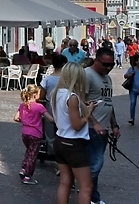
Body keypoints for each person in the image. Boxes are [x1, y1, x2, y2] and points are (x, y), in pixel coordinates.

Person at [54, 62, 98, 204]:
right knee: (86, 187)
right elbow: (77, 125)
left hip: (60, 139)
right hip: (73, 143)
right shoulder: (72, 97)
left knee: (65, 182)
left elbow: (65, 115)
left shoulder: (57, 93)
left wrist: (83, 107)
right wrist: (89, 111)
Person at [85, 48, 119, 204]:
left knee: (95, 165)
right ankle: (88, 196)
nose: (108, 68)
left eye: (111, 64)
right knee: (95, 164)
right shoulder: (87, 75)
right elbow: (80, 102)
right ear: (96, 60)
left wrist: (114, 125)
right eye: (105, 64)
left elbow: (108, 103)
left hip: (104, 128)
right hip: (91, 129)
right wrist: (95, 123)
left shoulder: (107, 78)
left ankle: (92, 196)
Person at [16, 83, 48, 185]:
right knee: (33, 155)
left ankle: (23, 168)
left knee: (29, 152)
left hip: (25, 133)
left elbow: (16, 118)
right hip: (35, 134)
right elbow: (49, 118)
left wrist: (26, 121)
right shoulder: (39, 107)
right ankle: (27, 175)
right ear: (34, 95)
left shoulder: (22, 105)